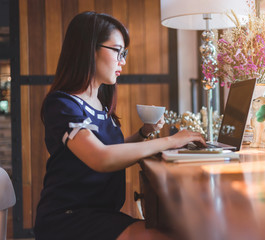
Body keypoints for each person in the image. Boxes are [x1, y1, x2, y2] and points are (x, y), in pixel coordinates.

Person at [34, 11, 206, 240]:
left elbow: (112, 149)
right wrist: (173, 140)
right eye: (117, 51)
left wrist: (144, 134)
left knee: (176, 229)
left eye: (124, 53)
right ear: (88, 49)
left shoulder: (99, 103)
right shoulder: (63, 104)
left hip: (100, 213)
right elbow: (101, 157)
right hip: (68, 218)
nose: (123, 61)